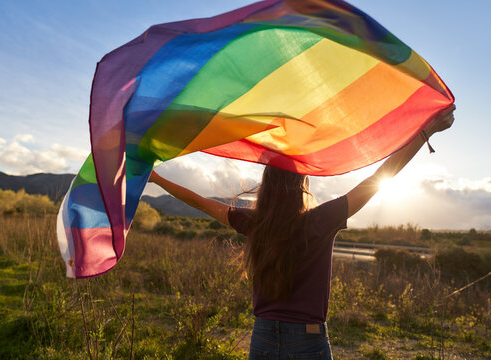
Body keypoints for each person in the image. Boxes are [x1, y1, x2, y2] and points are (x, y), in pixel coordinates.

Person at [148, 105, 456, 359]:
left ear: (267, 187)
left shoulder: (255, 223)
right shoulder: (320, 221)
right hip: (308, 343)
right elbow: (378, 178)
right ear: (302, 187)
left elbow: (201, 203)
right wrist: (424, 134)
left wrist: (159, 179)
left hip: (262, 338)